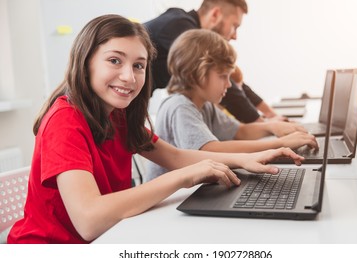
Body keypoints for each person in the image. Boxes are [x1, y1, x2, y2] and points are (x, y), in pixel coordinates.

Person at [7, 15, 304, 244]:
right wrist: (184, 177)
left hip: (107, 240)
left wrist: (244, 160)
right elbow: (89, 220)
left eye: (139, 65)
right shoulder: (65, 120)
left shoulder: (118, 116)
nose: (129, 76)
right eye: (114, 60)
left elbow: (174, 157)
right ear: (85, 63)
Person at [146, 29, 318, 181]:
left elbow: (240, 131)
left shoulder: (204, 104)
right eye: (222, 76)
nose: (229, 84)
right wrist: (279, 144)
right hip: (168, 204)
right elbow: (211, 150)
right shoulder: (180, 106)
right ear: (195, 74)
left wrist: (273, 127)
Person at [144, 0, 284, 123]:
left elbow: (229, 80)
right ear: (215, 14)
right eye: (234, 26)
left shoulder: (182, 24)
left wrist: (270, 115)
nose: (235, 36)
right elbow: (222, 82)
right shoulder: (180, 28)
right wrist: (262, 124)